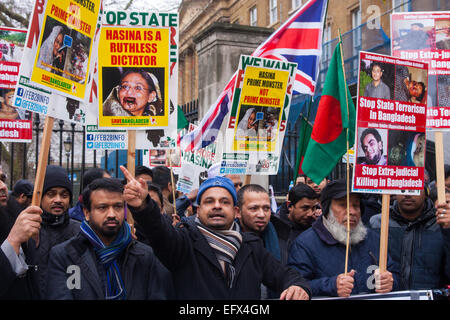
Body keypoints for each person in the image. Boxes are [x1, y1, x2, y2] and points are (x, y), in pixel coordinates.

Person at [122, 167, 311, 300]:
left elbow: (284, 275)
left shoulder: (251, 246)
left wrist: (298, 287)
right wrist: (143, 206)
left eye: (224, 201)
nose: (217, 206)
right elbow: (158, 230)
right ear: (198, 210)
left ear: (236, 211)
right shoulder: (183, 241)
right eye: (209, 201)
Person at [46, 178, 173, 299]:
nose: (111, 214)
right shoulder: (65, 255)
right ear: (87, 213)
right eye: (102, 207)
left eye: (117, 206)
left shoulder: (145, 256)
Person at [288, 179, 400, 297]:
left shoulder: (374, 239)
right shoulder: (305, 244)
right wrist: (331, 285)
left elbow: (396, 275)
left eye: (356, 205)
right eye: (343, 205)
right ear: (327, 210)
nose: (352, 211)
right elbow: (296, 287)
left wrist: (391, 281)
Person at [370, 188, 450, 290]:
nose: (407, 194)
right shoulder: (378, 223)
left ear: (426, 193)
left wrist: (448, 231)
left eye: (414, 189)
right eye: (402, 189)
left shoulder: (441, 223)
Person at [34, 165, 81, 298]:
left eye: (64, 195)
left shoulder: (79, 231)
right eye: (51, 194)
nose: (58, 200)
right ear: (40, 197)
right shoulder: (29, 230)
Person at [272, 183, 320, 264]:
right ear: (289, 206)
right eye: (305, 208)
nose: (310, 213)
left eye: (313, 208)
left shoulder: (318, 227)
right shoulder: (275, 228)